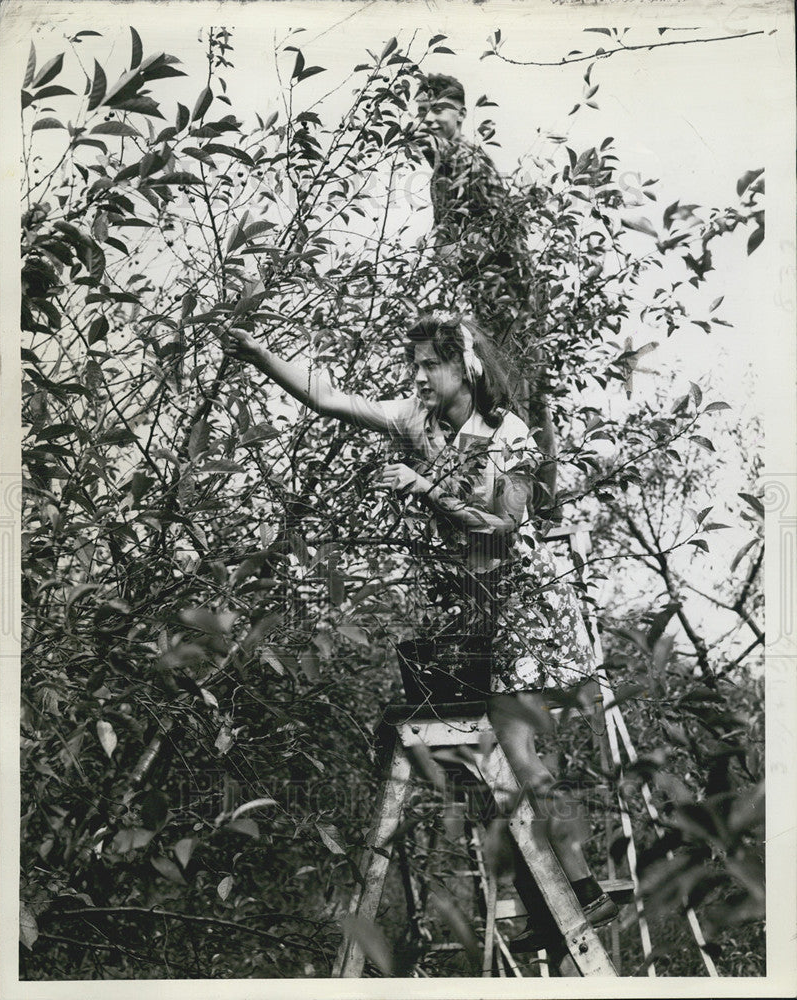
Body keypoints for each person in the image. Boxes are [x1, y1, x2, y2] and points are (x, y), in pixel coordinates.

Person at [224, 309, 617, 947]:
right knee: (488, 755)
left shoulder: (507, 432)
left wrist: (425, 488)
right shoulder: (418, 421)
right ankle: (551, 898)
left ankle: (581, 888)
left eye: (431, 364)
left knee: (516, 751)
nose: (419, 376)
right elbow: (329, 398)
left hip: (522, 601)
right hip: (474, 603)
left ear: (467, 367)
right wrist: (261, 354)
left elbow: (508, 526)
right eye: (415, 365)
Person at [416, 73, 558, 517]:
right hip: (503, 295)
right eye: (422, 111)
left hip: (506, 297)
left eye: (438, 109)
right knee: (526, 398)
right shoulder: (450, 161)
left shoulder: (460, 158)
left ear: (461, 113)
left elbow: (460, 240)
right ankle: (544, 504)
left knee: (513, 396)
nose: (429, 119)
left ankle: (533, 505)